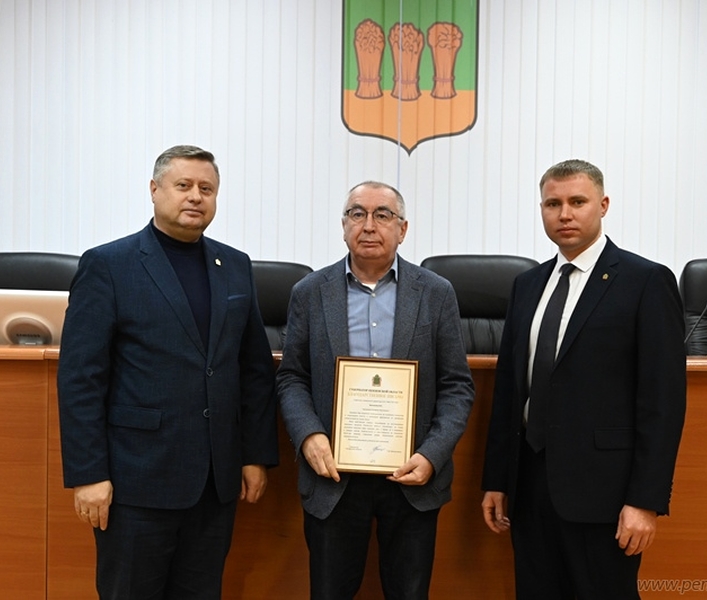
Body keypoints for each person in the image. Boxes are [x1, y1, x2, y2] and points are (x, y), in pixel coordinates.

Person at [57, 145, 278, 600]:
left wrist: (254, 455)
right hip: (135, 481)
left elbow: (254, 369)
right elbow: (81, 377)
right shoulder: (109, 265)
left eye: (207, 189)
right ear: (154, 190)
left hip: (215, 483)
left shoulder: (235, 266)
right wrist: (88, 474)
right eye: (183, 185)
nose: (196, 196)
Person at [481, 159, 686, 598]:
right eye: (552, 204)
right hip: (530, 487)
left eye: (577, 202)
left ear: (603, 205)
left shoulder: (646, 281)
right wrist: (496, 479)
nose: (565, 214)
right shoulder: (527, 284)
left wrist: (645, 501)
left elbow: (663, 402)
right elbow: (510, 391)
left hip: (605, 495)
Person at [276, 180, 475, 599]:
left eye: (382, 215)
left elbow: (457, 386)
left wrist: (432, 454)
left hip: (412, 476)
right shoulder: (309, 293)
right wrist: (308, 435)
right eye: (357, 213)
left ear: (403, 229)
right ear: (343, 225)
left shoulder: (436, 293)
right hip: (333, 475)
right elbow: (291, 377)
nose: (368, 225)